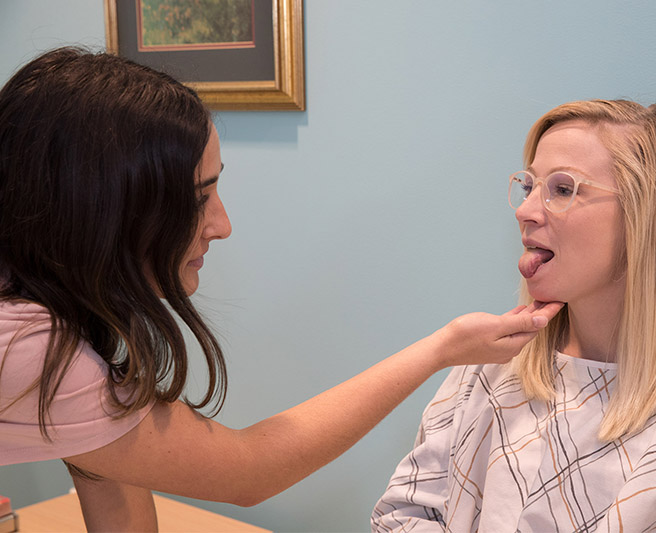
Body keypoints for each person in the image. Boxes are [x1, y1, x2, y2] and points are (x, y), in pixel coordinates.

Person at [0, 47, 564, 531]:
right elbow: (249, 470)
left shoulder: (57, 315)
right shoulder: (26, 345)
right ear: (105, 211)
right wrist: (441, 350)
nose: (222, 225)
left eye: (565, 190)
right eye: (199, 197)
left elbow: (112, 475)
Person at [372, 99, 656, 531]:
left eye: (561, 189)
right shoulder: (490, 365)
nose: (524, 211)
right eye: (529, 187)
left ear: (646, 217)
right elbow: (403, 515)